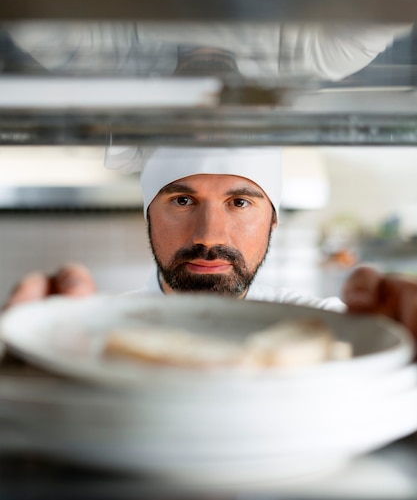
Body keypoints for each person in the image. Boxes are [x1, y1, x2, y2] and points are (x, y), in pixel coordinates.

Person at [3, 146, 417, 347]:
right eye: (182, 201)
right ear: (148, 214)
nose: (209, 236)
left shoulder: (333, 335)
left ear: (274, 218)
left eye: (239, 203)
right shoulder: (83, 338)